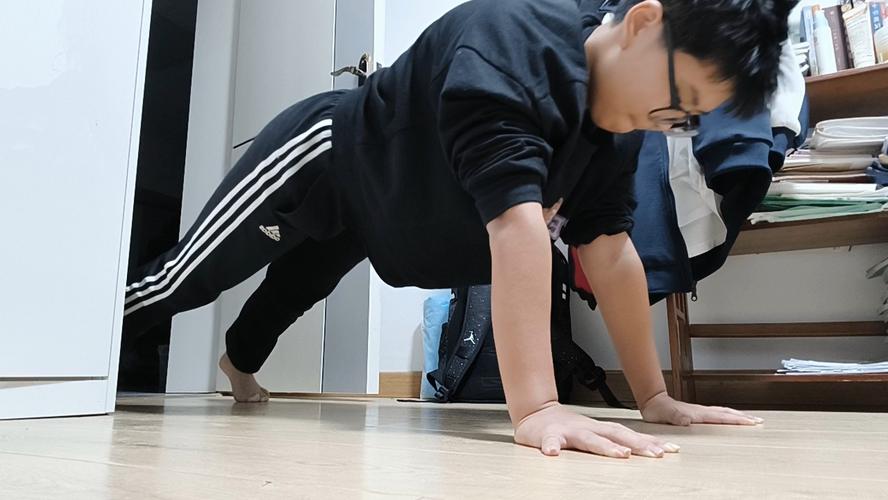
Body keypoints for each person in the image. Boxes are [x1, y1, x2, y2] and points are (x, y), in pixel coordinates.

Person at [123, 0, 796, 458]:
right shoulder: (515, 45)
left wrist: (653, 396)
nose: (667, 121)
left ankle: (237, 365)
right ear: (644, 23)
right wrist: (537, 408)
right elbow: (518, 227)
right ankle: (81, 348)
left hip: (381, 212)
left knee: (295, 289)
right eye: (678, 100)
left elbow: (612, 252)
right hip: (327, 157)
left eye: (687, 120)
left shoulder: (615, 135)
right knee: (186, 279)